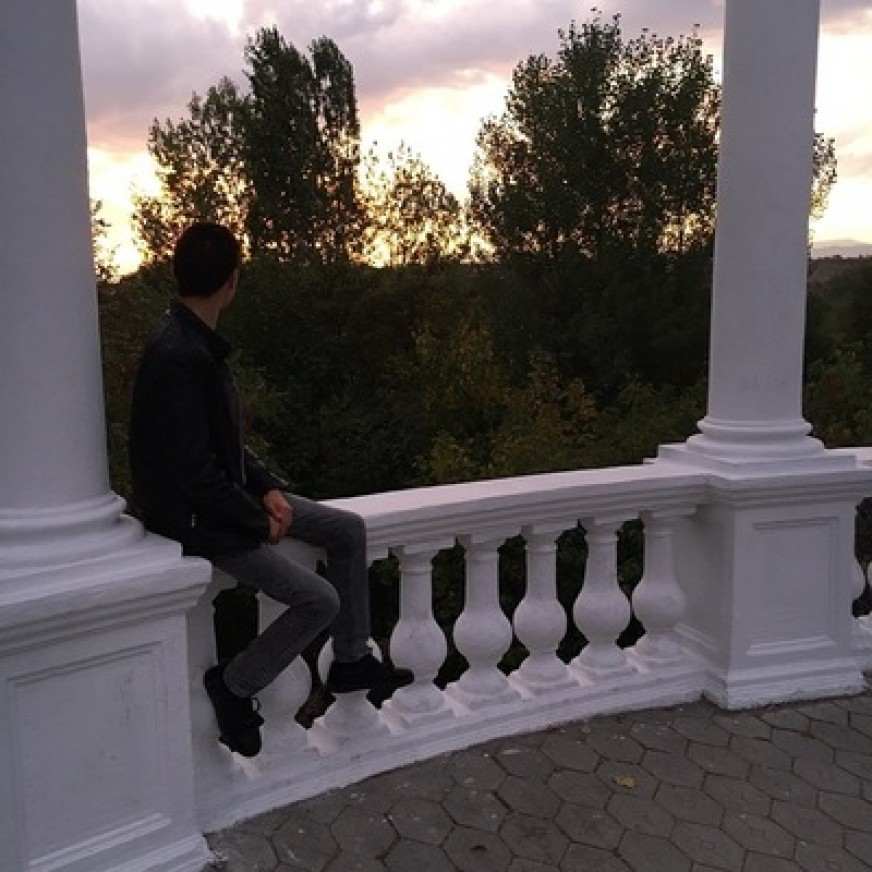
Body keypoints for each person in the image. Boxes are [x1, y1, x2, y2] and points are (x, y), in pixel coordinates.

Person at [129, 222, 408, 758]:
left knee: (347, 530)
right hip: (197, 520)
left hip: (222, 500)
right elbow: (192, 474)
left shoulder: (194, 343)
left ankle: (351, 661)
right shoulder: (178, 356)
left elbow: (223, 445)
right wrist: (257, 520)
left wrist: (267, 488)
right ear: (232, 282)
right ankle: (234, 686)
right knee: (318, 599)